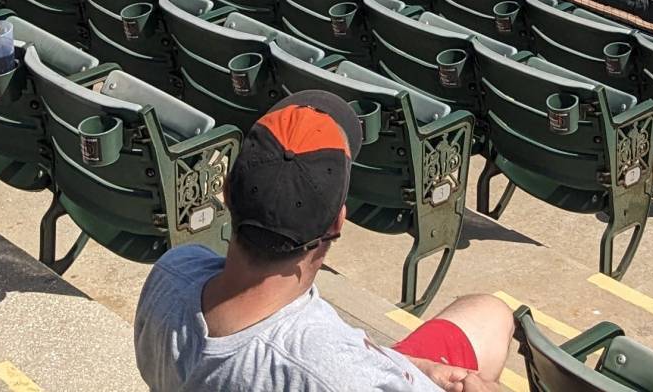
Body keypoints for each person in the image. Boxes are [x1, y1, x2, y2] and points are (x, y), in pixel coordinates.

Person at [133, 92, 512, 391]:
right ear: (338, 222)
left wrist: (412, 366)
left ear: (227, 193)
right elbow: (326, 370)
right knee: (495, 317)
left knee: (489, 314)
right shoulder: (328, 373)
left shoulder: (172, 274)